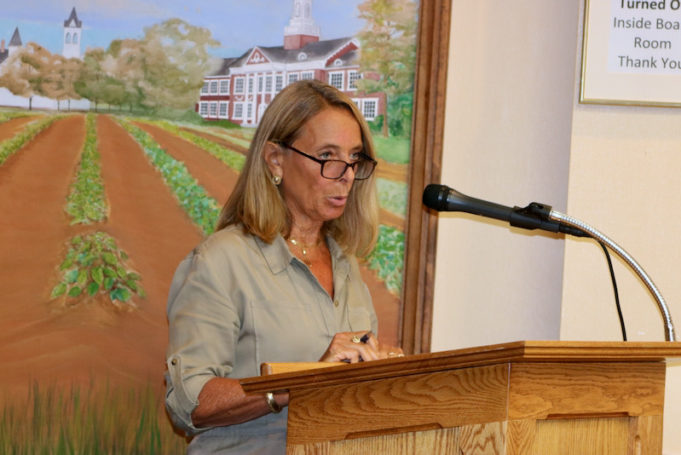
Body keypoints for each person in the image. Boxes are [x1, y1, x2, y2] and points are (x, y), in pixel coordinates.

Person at [165, 79, 403, 454]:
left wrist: (381, 371)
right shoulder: (221, 261)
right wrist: (300, 382)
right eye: (327, 156)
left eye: (354, 158)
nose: (346, 174)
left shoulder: (346, 264)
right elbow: (188, 401)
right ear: (276, 159)